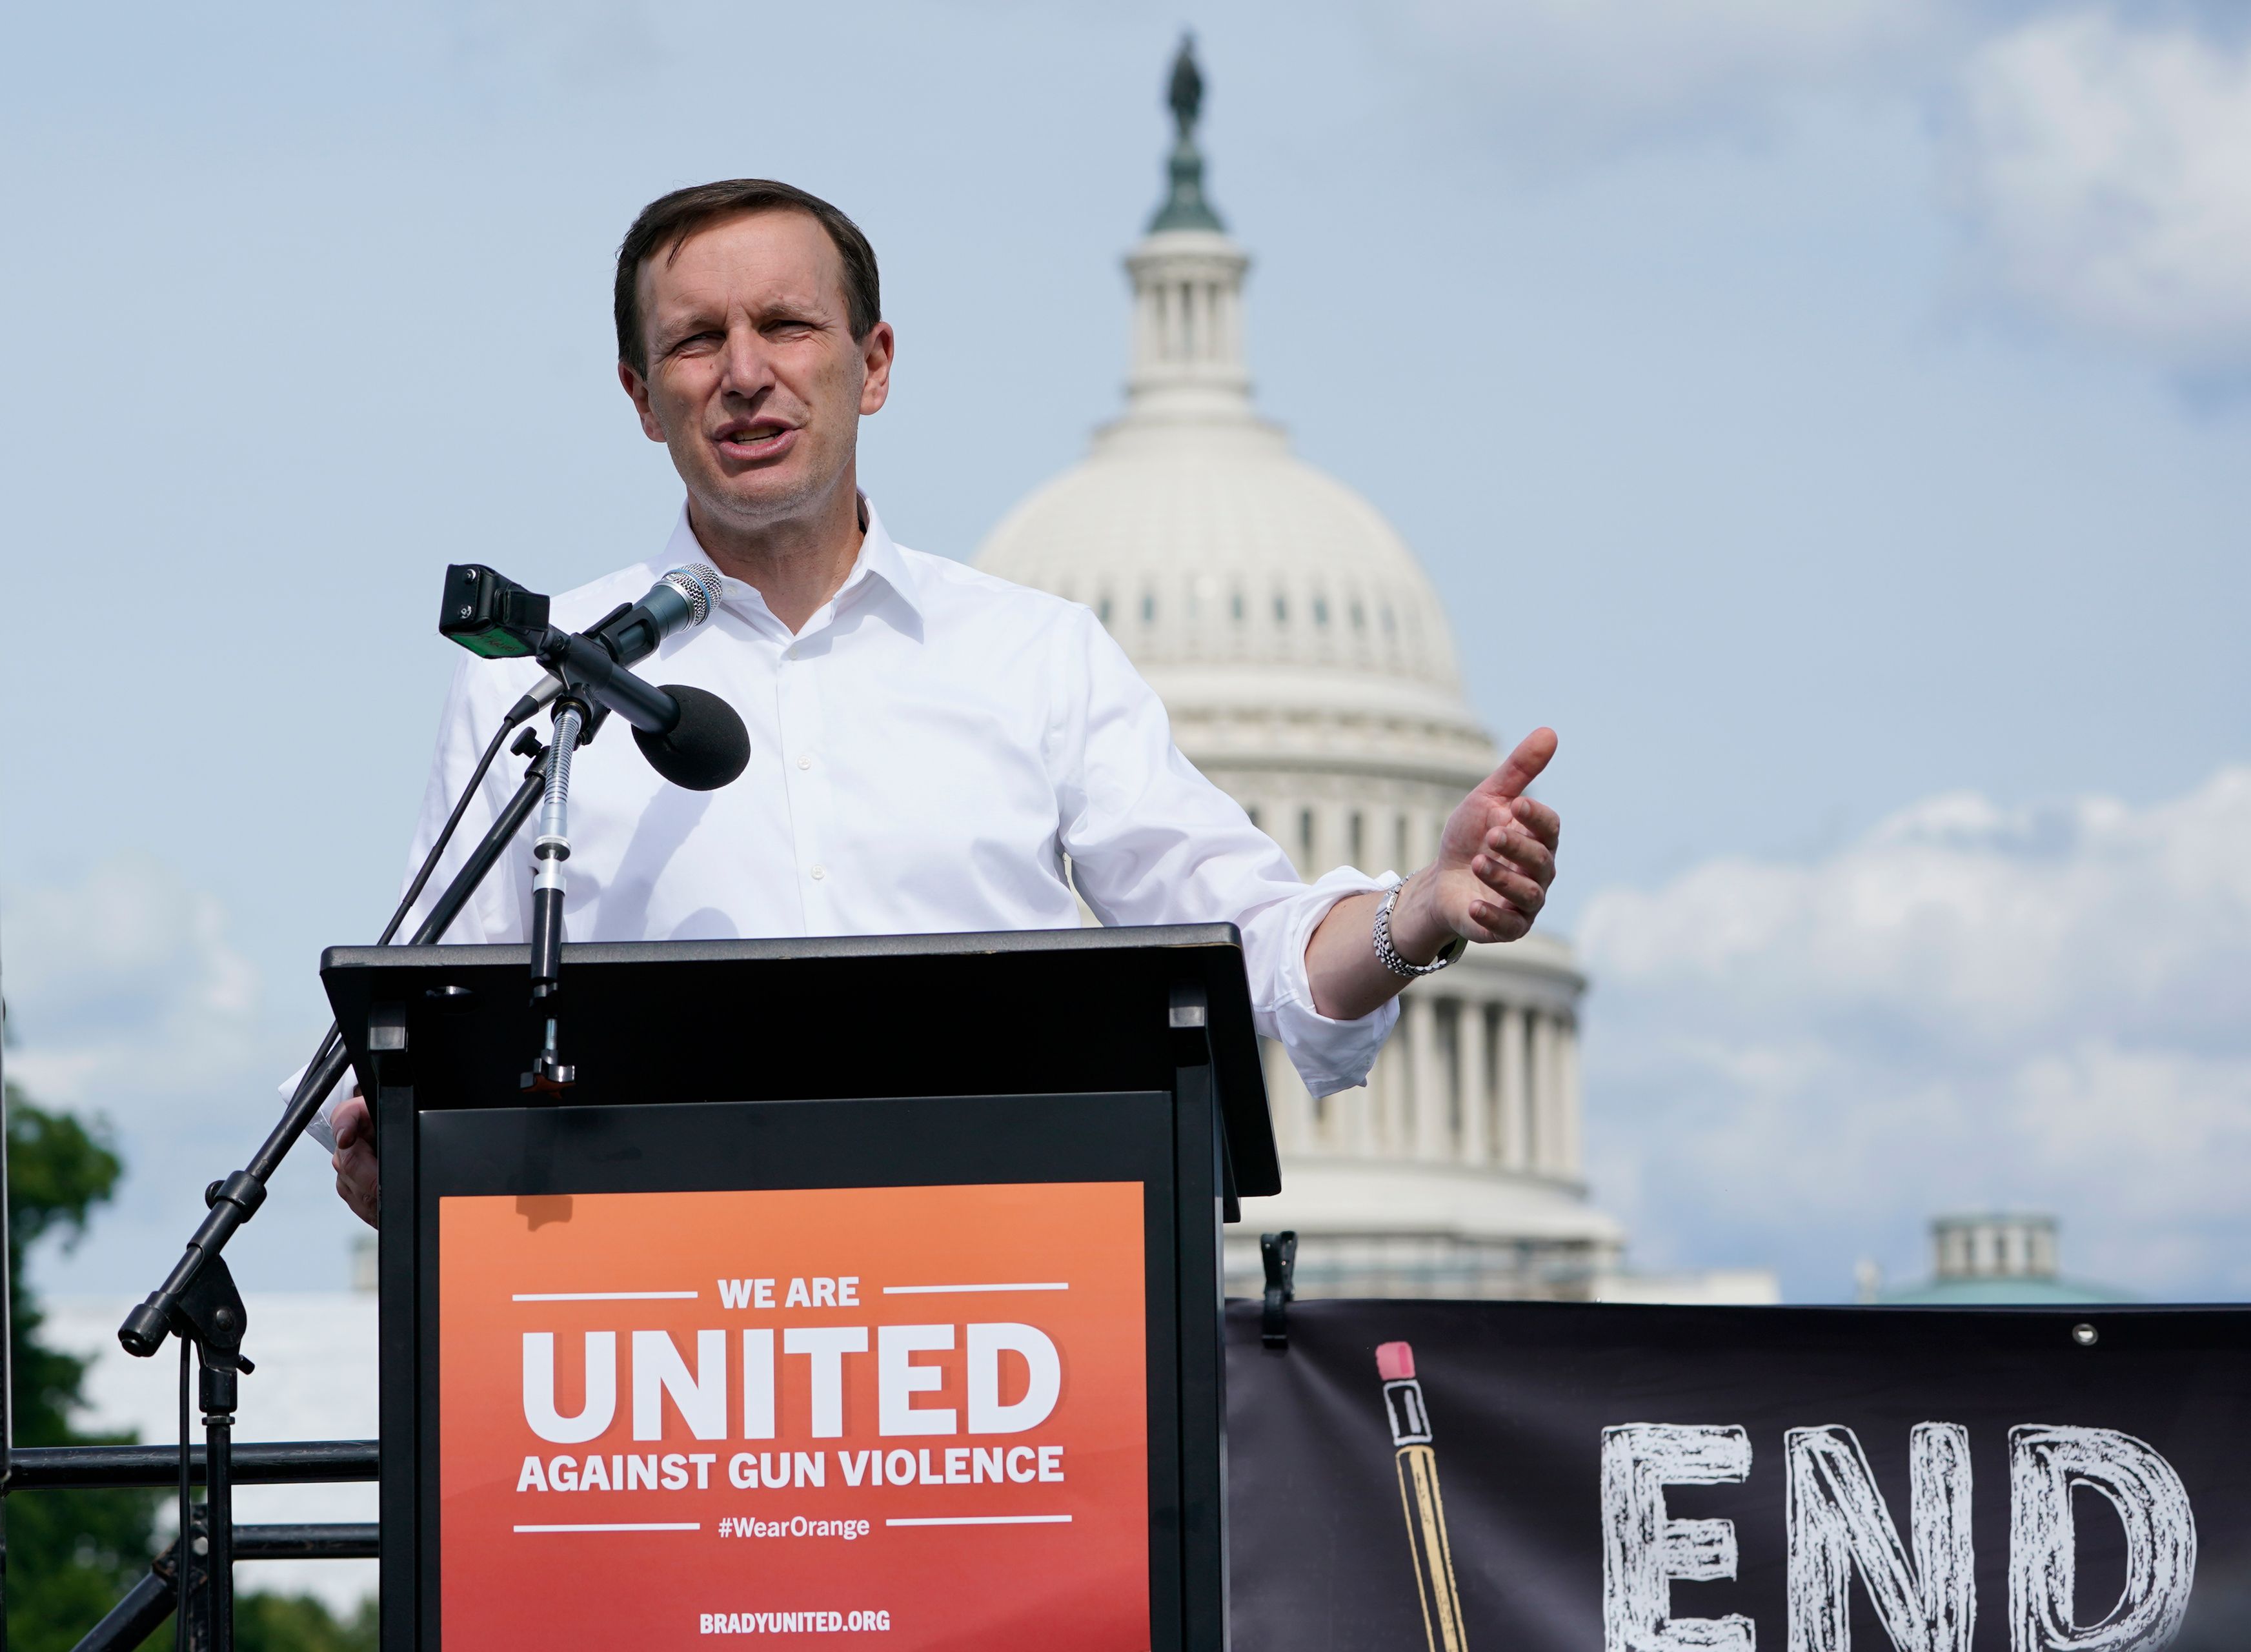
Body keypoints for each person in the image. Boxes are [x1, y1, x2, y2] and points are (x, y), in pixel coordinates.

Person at [325, 179, 1560, 1225]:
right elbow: (428, 1015)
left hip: (988, 1336)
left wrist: (1422, 909)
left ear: (873, 366)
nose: (746, 374)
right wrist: (378, 1141)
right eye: (698, 341)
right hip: (654, 1352)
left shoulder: (1034, 657)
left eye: (789, 326)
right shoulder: (539, 681)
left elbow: (1252, 949)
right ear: (642, 397)